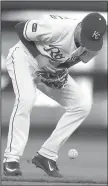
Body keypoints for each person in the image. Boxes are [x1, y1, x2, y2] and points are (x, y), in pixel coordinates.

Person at [3, 12, 106, 177]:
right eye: (85, 37)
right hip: (24, 58)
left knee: (81, 105)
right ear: (79, 26)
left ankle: (46, 155)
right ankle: (11, 160)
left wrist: (61, 68)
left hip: (49, 68)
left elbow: (75, 58)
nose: (86, 42)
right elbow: (21, 28)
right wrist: (39, 58)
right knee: (26, 99)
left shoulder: (93, 44)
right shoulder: (56, 28)